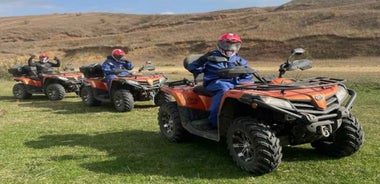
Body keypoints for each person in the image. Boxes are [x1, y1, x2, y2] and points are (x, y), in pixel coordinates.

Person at [186, 33, 253, 128]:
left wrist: (244, 85)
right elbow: (193, 68)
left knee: (252, 90)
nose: (229, 48)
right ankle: (214, 121)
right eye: (226, 45)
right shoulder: (210, 58)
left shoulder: (240, 61)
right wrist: (202, 60)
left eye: (234, 45)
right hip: (214, 84)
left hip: (235, 85)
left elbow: (248, 76)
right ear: (220, 45)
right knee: (224, 89)